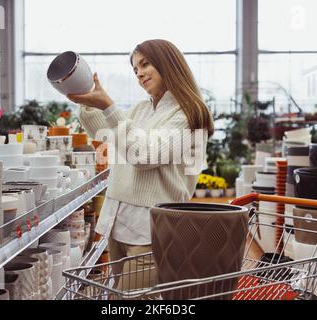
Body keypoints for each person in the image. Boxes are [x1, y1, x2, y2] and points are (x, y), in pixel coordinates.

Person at [68, 39, 214, 292]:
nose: (139, 73)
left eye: (145, 64)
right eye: (135, 69)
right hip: (121, 220)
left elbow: (144, 156)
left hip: (151, 229)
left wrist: (109, 106)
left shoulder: (189, 113)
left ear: (168, 63)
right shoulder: (142, 109)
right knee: (122, 296)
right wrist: (89, 101)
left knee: (131, 300)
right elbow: (106, 136)